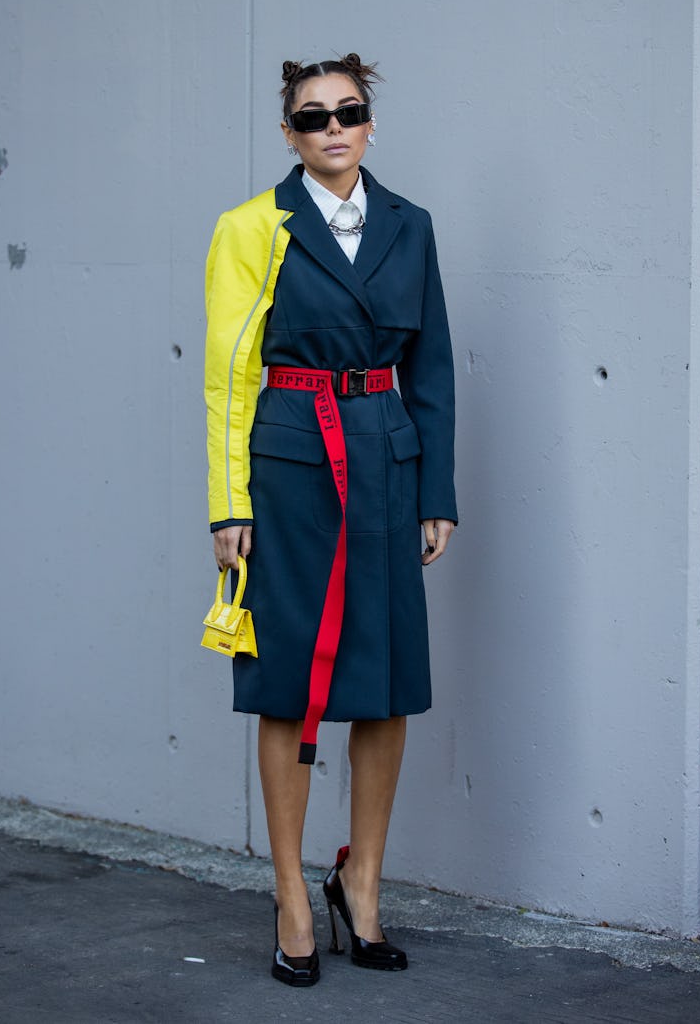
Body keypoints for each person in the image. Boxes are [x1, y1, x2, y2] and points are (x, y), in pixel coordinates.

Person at [204, 53, 457, 987]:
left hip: (387, 458)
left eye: (348, 112)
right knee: (286, 683)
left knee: (384, 681)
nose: (333, 129)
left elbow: (430, 366)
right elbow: (228, 377)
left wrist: (438, 491)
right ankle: (291, 898)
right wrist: (229, 504)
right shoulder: (251, 227)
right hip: (290, 464)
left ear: (370, 122)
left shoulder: (411, 226)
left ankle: (364, 889)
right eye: (313, 118)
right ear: (289, 135)